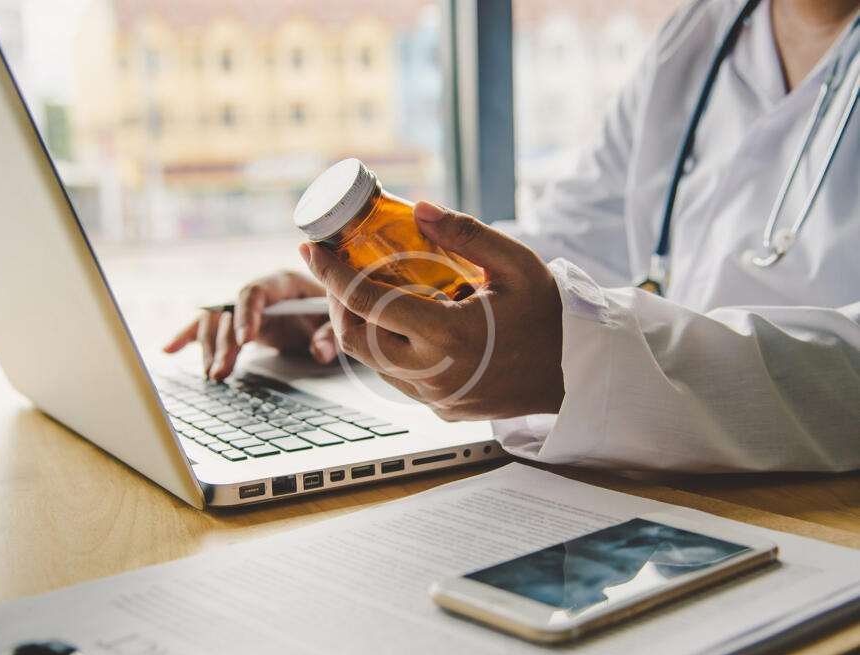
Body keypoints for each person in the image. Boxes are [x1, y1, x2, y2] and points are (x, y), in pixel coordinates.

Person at [165, 0, 860, 473]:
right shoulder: (703, 33)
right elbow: (574, 235)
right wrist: (395, 291)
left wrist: (578, 357)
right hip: (674, 490)